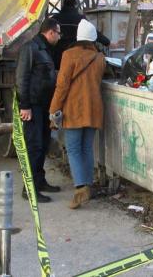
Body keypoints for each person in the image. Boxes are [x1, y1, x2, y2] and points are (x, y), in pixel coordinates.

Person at [49, 19, 106, 209]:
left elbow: (62, 85)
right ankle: (88, 184)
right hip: (94, 108)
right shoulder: (100, 58)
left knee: (73, 149)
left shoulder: (68, 55)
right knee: (87, 148)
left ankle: (80, 188)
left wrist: (53, 109)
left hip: (73, 109)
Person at [16, 18, 62, 203]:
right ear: (50, 32)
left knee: (42, 144)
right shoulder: (31, 48)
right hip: (33, 106)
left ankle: (40, 181)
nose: (60, 36)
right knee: (33, 147)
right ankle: (29, 189)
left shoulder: (44, 49)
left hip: (43, 106)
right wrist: (24, 105)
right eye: (58, 33)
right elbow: (22, 77)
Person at [52, 0, 110, 69]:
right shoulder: (80, 19)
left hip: (57, 57)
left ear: (63, 4)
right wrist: (107, 42)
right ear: (75, 5)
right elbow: (93, 32)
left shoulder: (54, 18)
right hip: (76, 57)